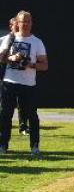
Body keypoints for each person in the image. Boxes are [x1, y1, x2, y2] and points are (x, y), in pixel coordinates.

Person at [0, 10, 48, 156]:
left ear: (31, 23)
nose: (25, 24)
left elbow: (45, 65)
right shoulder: (9, 38)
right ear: (17, 23)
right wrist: (11, 58)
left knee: (32, 116)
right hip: (9, 82)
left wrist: (30, 64)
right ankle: (2, 146)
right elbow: (1, 58)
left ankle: (34, 147)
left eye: (28, 21)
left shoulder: (37, 42)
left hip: (28, 84)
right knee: (5, 115)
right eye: (22, 21)